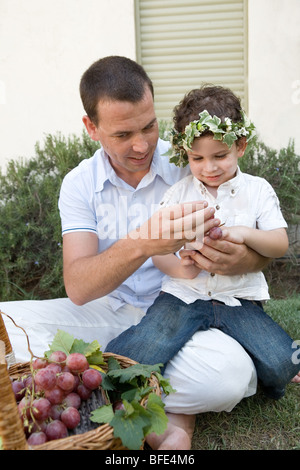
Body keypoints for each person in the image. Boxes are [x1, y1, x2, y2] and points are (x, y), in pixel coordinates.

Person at [0, 56, 282, 450]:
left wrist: (246, 258)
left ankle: (109, 388)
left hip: (185, 312)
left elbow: (257, 244)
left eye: (149, 126)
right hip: (104, 311)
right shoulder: (79, 183)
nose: (142, 144)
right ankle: (154, 399)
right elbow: (79, 287)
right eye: (123, 134)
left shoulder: (194, 160)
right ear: (91, 128)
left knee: (228, 377)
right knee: (5, 323)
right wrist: (144, 243)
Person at [105, 85, 300, 403]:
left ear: (240, 145)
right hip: (183, 296)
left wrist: (244, 233)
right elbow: (160, 253)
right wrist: (181, 268)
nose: (209, 168)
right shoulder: (180, 193)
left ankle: (267, 373)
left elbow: (278, 243)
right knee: (143, 347)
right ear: (185, 153)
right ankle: (112, 381)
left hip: (239, 299)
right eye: (197, 158)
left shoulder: (258, 190)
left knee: (283, 362)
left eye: (220, 156)